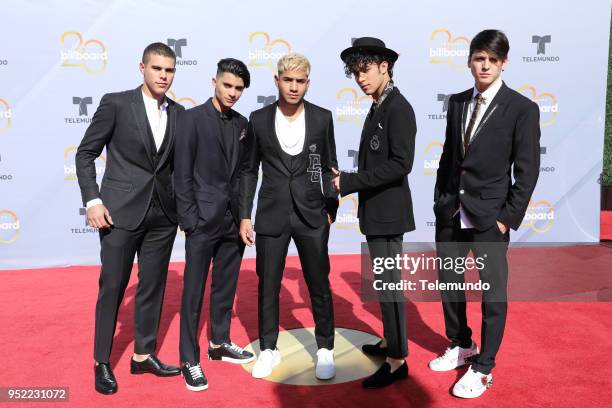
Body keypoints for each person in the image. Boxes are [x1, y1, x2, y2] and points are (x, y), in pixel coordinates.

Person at [431, 29, 540, 398]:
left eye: (493, 60)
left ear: (503, 63)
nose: (485, 65)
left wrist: (506, 218)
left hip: (490, 218)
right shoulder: (458, 102)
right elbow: (449, 157)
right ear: (469, 61)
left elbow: (527, 172)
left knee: (492, 294)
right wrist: (440, 201)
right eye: (480, 58)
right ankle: (461, 343)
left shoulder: (522, 109)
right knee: (449, 284)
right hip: (451, 213)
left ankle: (484, 366)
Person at [76, 42, 184, 395]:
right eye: (157, 69)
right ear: (142, 68)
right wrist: (92, 200)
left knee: (153, 287)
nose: (163, 76)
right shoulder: (117, 103)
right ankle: (102, 361)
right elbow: (85, 153)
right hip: (119, 213)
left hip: (163, 216)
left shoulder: (180, 113)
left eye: (169, 70)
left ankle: (143, 355)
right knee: (112, 288)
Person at [239, 53, 339, 380]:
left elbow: (328, 166)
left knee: (318, 283)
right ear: (277, 80)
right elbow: (249, 171)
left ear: (308, 83)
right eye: (288, 80)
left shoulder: (323, 118)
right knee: (268, 283)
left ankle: (325, 347)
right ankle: (268, 349)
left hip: (312, 213)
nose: (294, 87)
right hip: (271, 213)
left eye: (300, 81)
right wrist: (244, 215)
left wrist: (331, 208)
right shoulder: (258, 119)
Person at [334, 37, 416, 389]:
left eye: (365, 70)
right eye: (355, 73)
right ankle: (387, 343)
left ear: (385, 66)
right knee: (383, 284)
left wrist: (349, 182)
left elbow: (401, 164)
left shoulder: (398, 108)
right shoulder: (379, 104)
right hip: (377, 212)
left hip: (389, 214)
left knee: (389, 288)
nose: (360, 78)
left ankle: (397, 361)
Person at [174, 58, 254, 392]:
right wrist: (190, 220)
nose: (233, 93)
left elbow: (246, 173)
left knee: (225, 287)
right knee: (193, 293)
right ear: (214, 82)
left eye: (238, 88)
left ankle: (219, 342)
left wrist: (244, 216)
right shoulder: (190, 120)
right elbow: (181, 174)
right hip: (202, 222)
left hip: (232, 222)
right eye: (228, 85)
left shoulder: (243, 124)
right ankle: (189, 359)